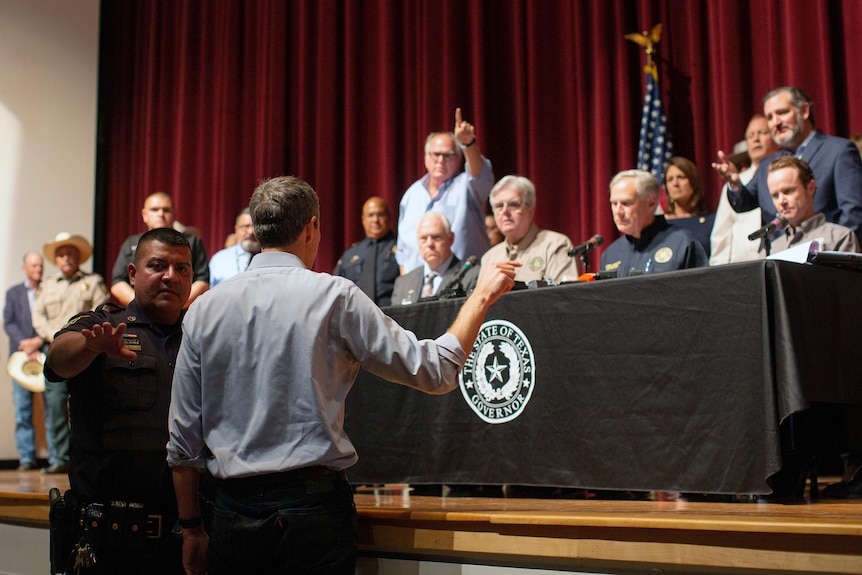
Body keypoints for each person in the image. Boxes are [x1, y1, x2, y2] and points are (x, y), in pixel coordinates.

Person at [167, 175, 517, 575]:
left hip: (230, 511)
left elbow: (182, 440)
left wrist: (191, 527)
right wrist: (480, 297)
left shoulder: (203, 309)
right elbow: (435, 370)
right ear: (311, 227)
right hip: (312, 510)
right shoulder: (335, 296)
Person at [44, 228, 192, 574]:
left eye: (181, 268)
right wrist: (91, 347)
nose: (170, 276)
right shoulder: (103, 325)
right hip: (108, 540)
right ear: (133, 274)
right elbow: (58, 360)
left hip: (182, 535)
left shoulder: (201, 336)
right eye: (157, 265)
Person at [712, 86, 862, 240]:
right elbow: (743, 203)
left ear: (804, 111)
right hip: (777, 255)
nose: (775, 122)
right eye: (769, 117)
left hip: (824, 254)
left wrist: (836, 253)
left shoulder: (838, 151)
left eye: (782, 112)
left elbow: (854, 211)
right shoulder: (767, 165)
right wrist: (735, 183)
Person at [33, 233, 110, 474]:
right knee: (55, 405)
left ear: (79, 257)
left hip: (86, 348)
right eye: (62, 254)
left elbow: (102, 308)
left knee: (87, 402)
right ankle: (60, 458)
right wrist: (54, 338)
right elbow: (38, 317)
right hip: (54, 349)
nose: (66, 258)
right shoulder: (47, 285)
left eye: (71, 254)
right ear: (56, 259)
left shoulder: (94, 281)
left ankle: (86, 456)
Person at [396, 108, 495, 273]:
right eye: (436, 154)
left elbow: (481, 176)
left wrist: (468, 144)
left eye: (448, 155)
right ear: (426, 158)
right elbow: (403, 252)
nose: (441, 160)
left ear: (458, 159)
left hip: (462, 283)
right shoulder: (412, 195)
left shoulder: (467, 187)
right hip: (420, 288)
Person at [601, 170, 708, 277]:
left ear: (651, 204)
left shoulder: (683, 243)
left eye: (626, 203)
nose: (618, 212)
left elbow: (702, 288)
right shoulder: (610, 254)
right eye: (614, 204)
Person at [111, 192, 209, 306]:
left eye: (166, 210)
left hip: (182, 315)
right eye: (154, 209)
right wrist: (143, 307)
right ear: (144, 214)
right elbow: (118, 282)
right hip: (139, 316)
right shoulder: (131, 243)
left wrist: (174, 306)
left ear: (174, 214)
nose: (161, 214)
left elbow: (202, 281)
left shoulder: (192, 242)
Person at [480, 175, 580, 284]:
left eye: (513, 205)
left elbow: (563, 296)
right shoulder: (489, 258)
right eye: (499, 206)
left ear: (530, 211)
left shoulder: (555, 245)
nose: (505, 211)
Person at [710, 115, 780, 264]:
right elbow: (721, 233)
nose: (756, 139)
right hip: (741, 267)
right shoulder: (735, 183)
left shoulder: (785, 177)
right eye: (751, 135)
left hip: (776, 259)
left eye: (762, 133)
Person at [3, 252, 45, 471]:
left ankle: (58, 458)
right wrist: (26, 344)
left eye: (41, 265)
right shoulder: (13, 293)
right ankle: (27, 457)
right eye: (34, 265)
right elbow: (8, 322)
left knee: (53, 409)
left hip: (45, 353)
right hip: (20, 357)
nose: (39, 269)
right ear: (24, 268)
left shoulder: (49, 289)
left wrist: (38, 342)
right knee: (22, 410)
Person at [767, 156, 859, 254]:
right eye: (775, 195)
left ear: (810, 188)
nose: (781, 201)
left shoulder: (840, 238)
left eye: (788, 191)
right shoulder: (770, 250)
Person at [392, 211, 481, 305]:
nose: (429, 244)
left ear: (450, 239)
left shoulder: (472, 276)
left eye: (436, 237)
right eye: (424, 238)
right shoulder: (403, 284)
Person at [333, 196, 400, 306]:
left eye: (380, 214)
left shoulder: (401, 249)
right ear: (363, 220)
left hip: (393, 316)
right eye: (370, 215)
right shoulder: (351, 254)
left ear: (389, 217)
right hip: (356, 318)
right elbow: (337, 289)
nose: (375, 220)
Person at [663, 156, 715, 255]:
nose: (675, 183)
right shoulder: (659, 224)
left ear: (693, 181)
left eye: (681, 177)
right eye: (670, 179)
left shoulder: (711, 221)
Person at [208, 208, 261, 287]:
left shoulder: (271, 258)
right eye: (246, 226)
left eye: (255, 227)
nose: (251, 232)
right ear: (236, 229)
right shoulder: (219, 260)